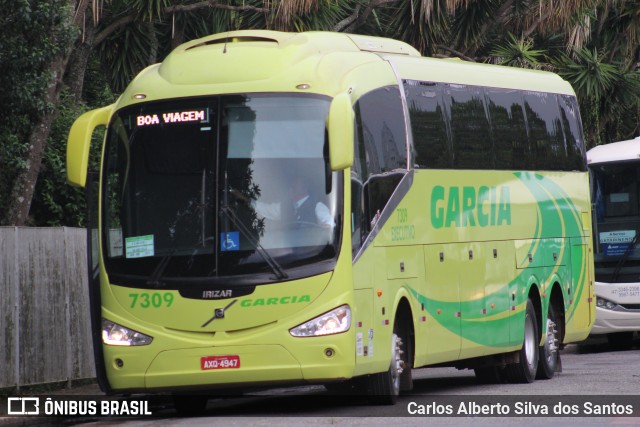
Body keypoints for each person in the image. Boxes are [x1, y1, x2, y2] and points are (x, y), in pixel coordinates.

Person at [231, 177, 333, 227]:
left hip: (312, 255)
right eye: (291, 186)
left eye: (294, 186)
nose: (291, 188)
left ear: (305, 188)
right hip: (288, 255)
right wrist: (245, 200)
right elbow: (265, 209)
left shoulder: (318, 206)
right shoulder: (285, 207)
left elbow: (329, 225)